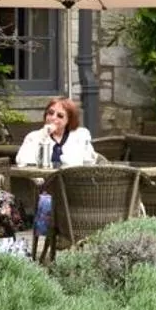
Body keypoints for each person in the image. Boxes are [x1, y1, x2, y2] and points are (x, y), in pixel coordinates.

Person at [14, 97, 96, 243]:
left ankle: (72, 235)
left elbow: (89, 161)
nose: (53, 118)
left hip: (76, 189)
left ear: (69, 120)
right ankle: (54, 236)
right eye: (50, 113)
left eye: (60, 115)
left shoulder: (80, 136)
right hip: (47, 189)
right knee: (46, 200)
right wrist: (43, 136)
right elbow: (22, 161)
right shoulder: (34, 137)